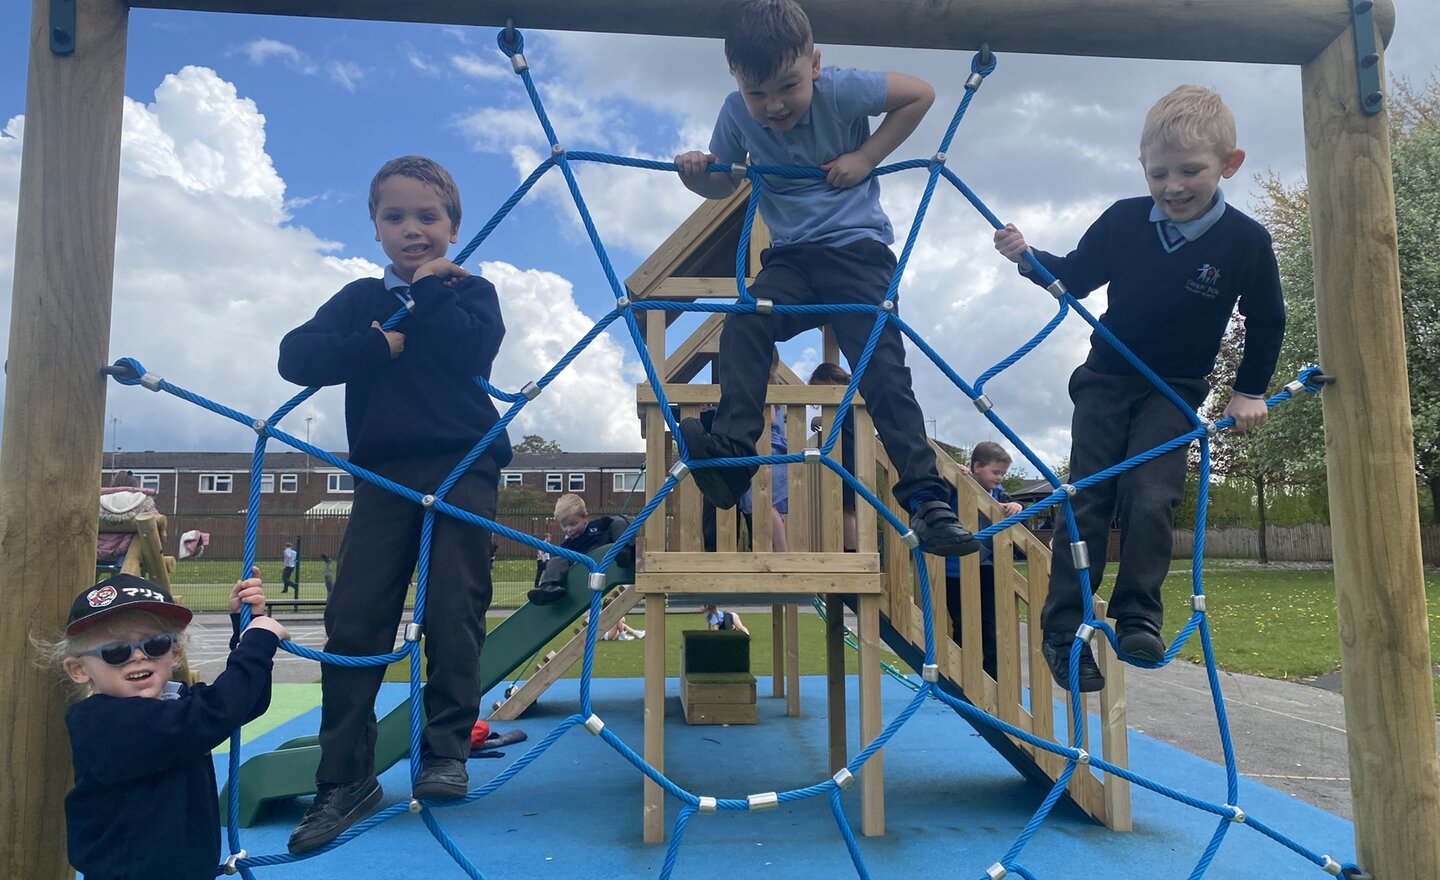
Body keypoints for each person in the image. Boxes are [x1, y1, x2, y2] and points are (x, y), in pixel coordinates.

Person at [993, 85, 1284, 692]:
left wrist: (1248, 390)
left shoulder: (1244, 241)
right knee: (1088, 500)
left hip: (1174, 391)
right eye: (1159, 173)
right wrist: (1028, 256)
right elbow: (1073, 277)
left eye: (1190, 171)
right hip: (1105, 381)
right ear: (1142, 168)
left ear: (1229, 165)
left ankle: (1137, 618)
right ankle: (1064, 629)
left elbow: (1268, 317)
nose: (1173, 186)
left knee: (1150, 497)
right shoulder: (1126, 221)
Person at [672, 0, 977, 561]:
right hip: (791, 261)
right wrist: (699, 175)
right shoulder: (737, 113)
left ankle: (928, 498)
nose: (774, 105)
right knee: (743, 321)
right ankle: (734, 455)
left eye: (787, 85)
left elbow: (920, 94)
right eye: (757, 92)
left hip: (858, 254)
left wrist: (866, 155)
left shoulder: (840, 90)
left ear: (814, 65)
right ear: (736, 79)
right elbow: (722, 183)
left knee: (882, 369)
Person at [278, 155, 512, 852]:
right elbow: (297, 357)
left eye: (428, 217)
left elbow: (472, 349)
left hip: (463, 464)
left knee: (452, 607)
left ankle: (444, 751)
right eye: (396, 217)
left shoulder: (473, 293)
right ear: (376, 228)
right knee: (355, 618)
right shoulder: (360, 299)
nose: (413, 230)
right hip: (384, 473)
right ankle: (344, 778)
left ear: (453, 227)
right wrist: (377, 344)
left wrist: (431, 288)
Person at [47, 572, 286, 880]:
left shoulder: (175, 702)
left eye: (156, 644)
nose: (137, 656)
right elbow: (216, 712)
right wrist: (258, 642)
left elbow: (246, 703)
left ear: (174, 653)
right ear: (79, 669)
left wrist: (244, 626)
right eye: (115, 651)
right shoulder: (100, 723)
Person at [945, 441, 1024, 679]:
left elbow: (1017, 513)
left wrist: (1017, 506)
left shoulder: (999, 495)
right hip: (955, 570)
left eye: (1003, 473)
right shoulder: (956, 485)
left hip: (988, 568)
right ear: (977, 466)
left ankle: (992, 678)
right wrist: (951, 468)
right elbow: (937, 483)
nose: (1000, 477)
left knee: (991, 624)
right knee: (963, 625)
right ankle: (963, 677)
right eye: (996, 472)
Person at [527, 494, 634, 606]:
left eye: (573, 524)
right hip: (585, 565)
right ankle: (548, 587)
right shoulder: (569, 544)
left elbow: (619, 523)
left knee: (618, 521)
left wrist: (621, 544)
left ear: (585, 517)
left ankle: (624, 551)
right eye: (564, 526)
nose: (569, 530)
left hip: (609, 553)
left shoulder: (598, 526)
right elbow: (559, 560)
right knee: (557, 558)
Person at [738, 349, 789, 552]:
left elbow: (771, 417)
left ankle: (781, 551)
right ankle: (771, 549)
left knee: (766, 502)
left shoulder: (762, 384)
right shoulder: (765, 383)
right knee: (763, 504)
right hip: (765, 451)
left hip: (768, 450)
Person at [807, 362, 858, 551]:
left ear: (829, 380)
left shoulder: (846, 396)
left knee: (846, 508)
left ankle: (850, 551)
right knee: (847, 508)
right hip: (849, 458)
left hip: (849, 459)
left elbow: (837, 418)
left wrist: (820, 419)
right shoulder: (851, 394)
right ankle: (849, 548)